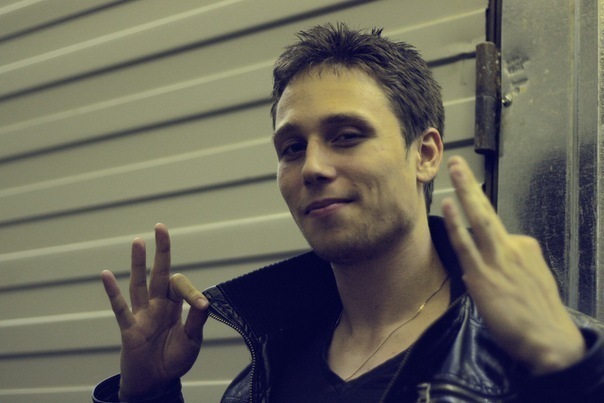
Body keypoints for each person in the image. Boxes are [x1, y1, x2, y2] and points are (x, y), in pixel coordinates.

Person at [93, 23, 604, 402]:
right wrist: (148, 395)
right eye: (292, 148)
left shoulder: (531, 354)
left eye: (346, 136)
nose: (313, 167)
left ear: (425, 154)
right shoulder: (258, 382)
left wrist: (573, 376)